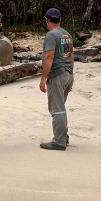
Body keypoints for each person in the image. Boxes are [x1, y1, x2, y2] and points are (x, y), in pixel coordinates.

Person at [38, 8, 74, 151]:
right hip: (68, 74)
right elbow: (71, 56)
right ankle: (63, 136)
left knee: (56, 109)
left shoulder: (51, 35)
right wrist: (71, 74)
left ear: (47, 20)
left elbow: (49, 57)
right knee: (60, 106)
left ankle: (59, 141)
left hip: (58, 75)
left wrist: (43, 78)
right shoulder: (67, 35)